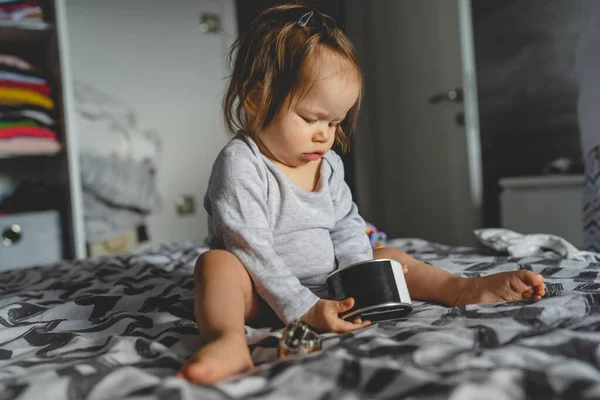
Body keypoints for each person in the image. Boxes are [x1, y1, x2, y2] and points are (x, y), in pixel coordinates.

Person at [176, 3, 546, 385]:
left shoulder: (328, 163)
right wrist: (304, 309)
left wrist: (361, 278)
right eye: (310, 118)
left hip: (332, 285)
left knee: (390, 255)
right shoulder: (241, 163)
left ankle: (462, 288)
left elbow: (346, 225)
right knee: (217, 265)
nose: (325, 133)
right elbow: (249, 247)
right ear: (255, 99)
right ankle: (228, 341)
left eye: (335, 121)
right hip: (259, 293)